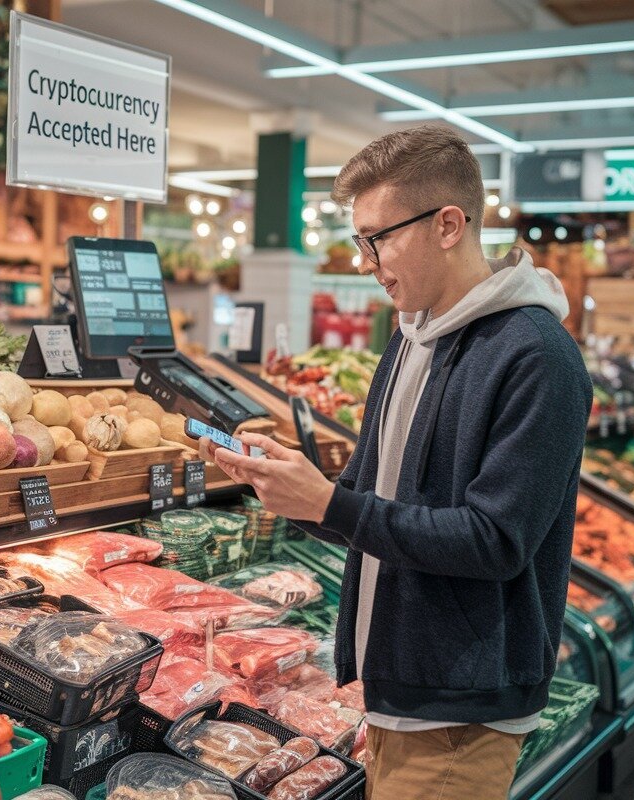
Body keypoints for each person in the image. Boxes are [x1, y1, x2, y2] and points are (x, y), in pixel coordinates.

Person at [203, 124, 592, 800]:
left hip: (460, 709)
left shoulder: (538, 357)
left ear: (448, 224)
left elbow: (496, 540)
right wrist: (296, 490)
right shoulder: (410, 339)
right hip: (392, 689)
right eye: (362, 240)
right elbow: (369, 504)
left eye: (380, 238)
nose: (366, 261)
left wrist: (331, 504)